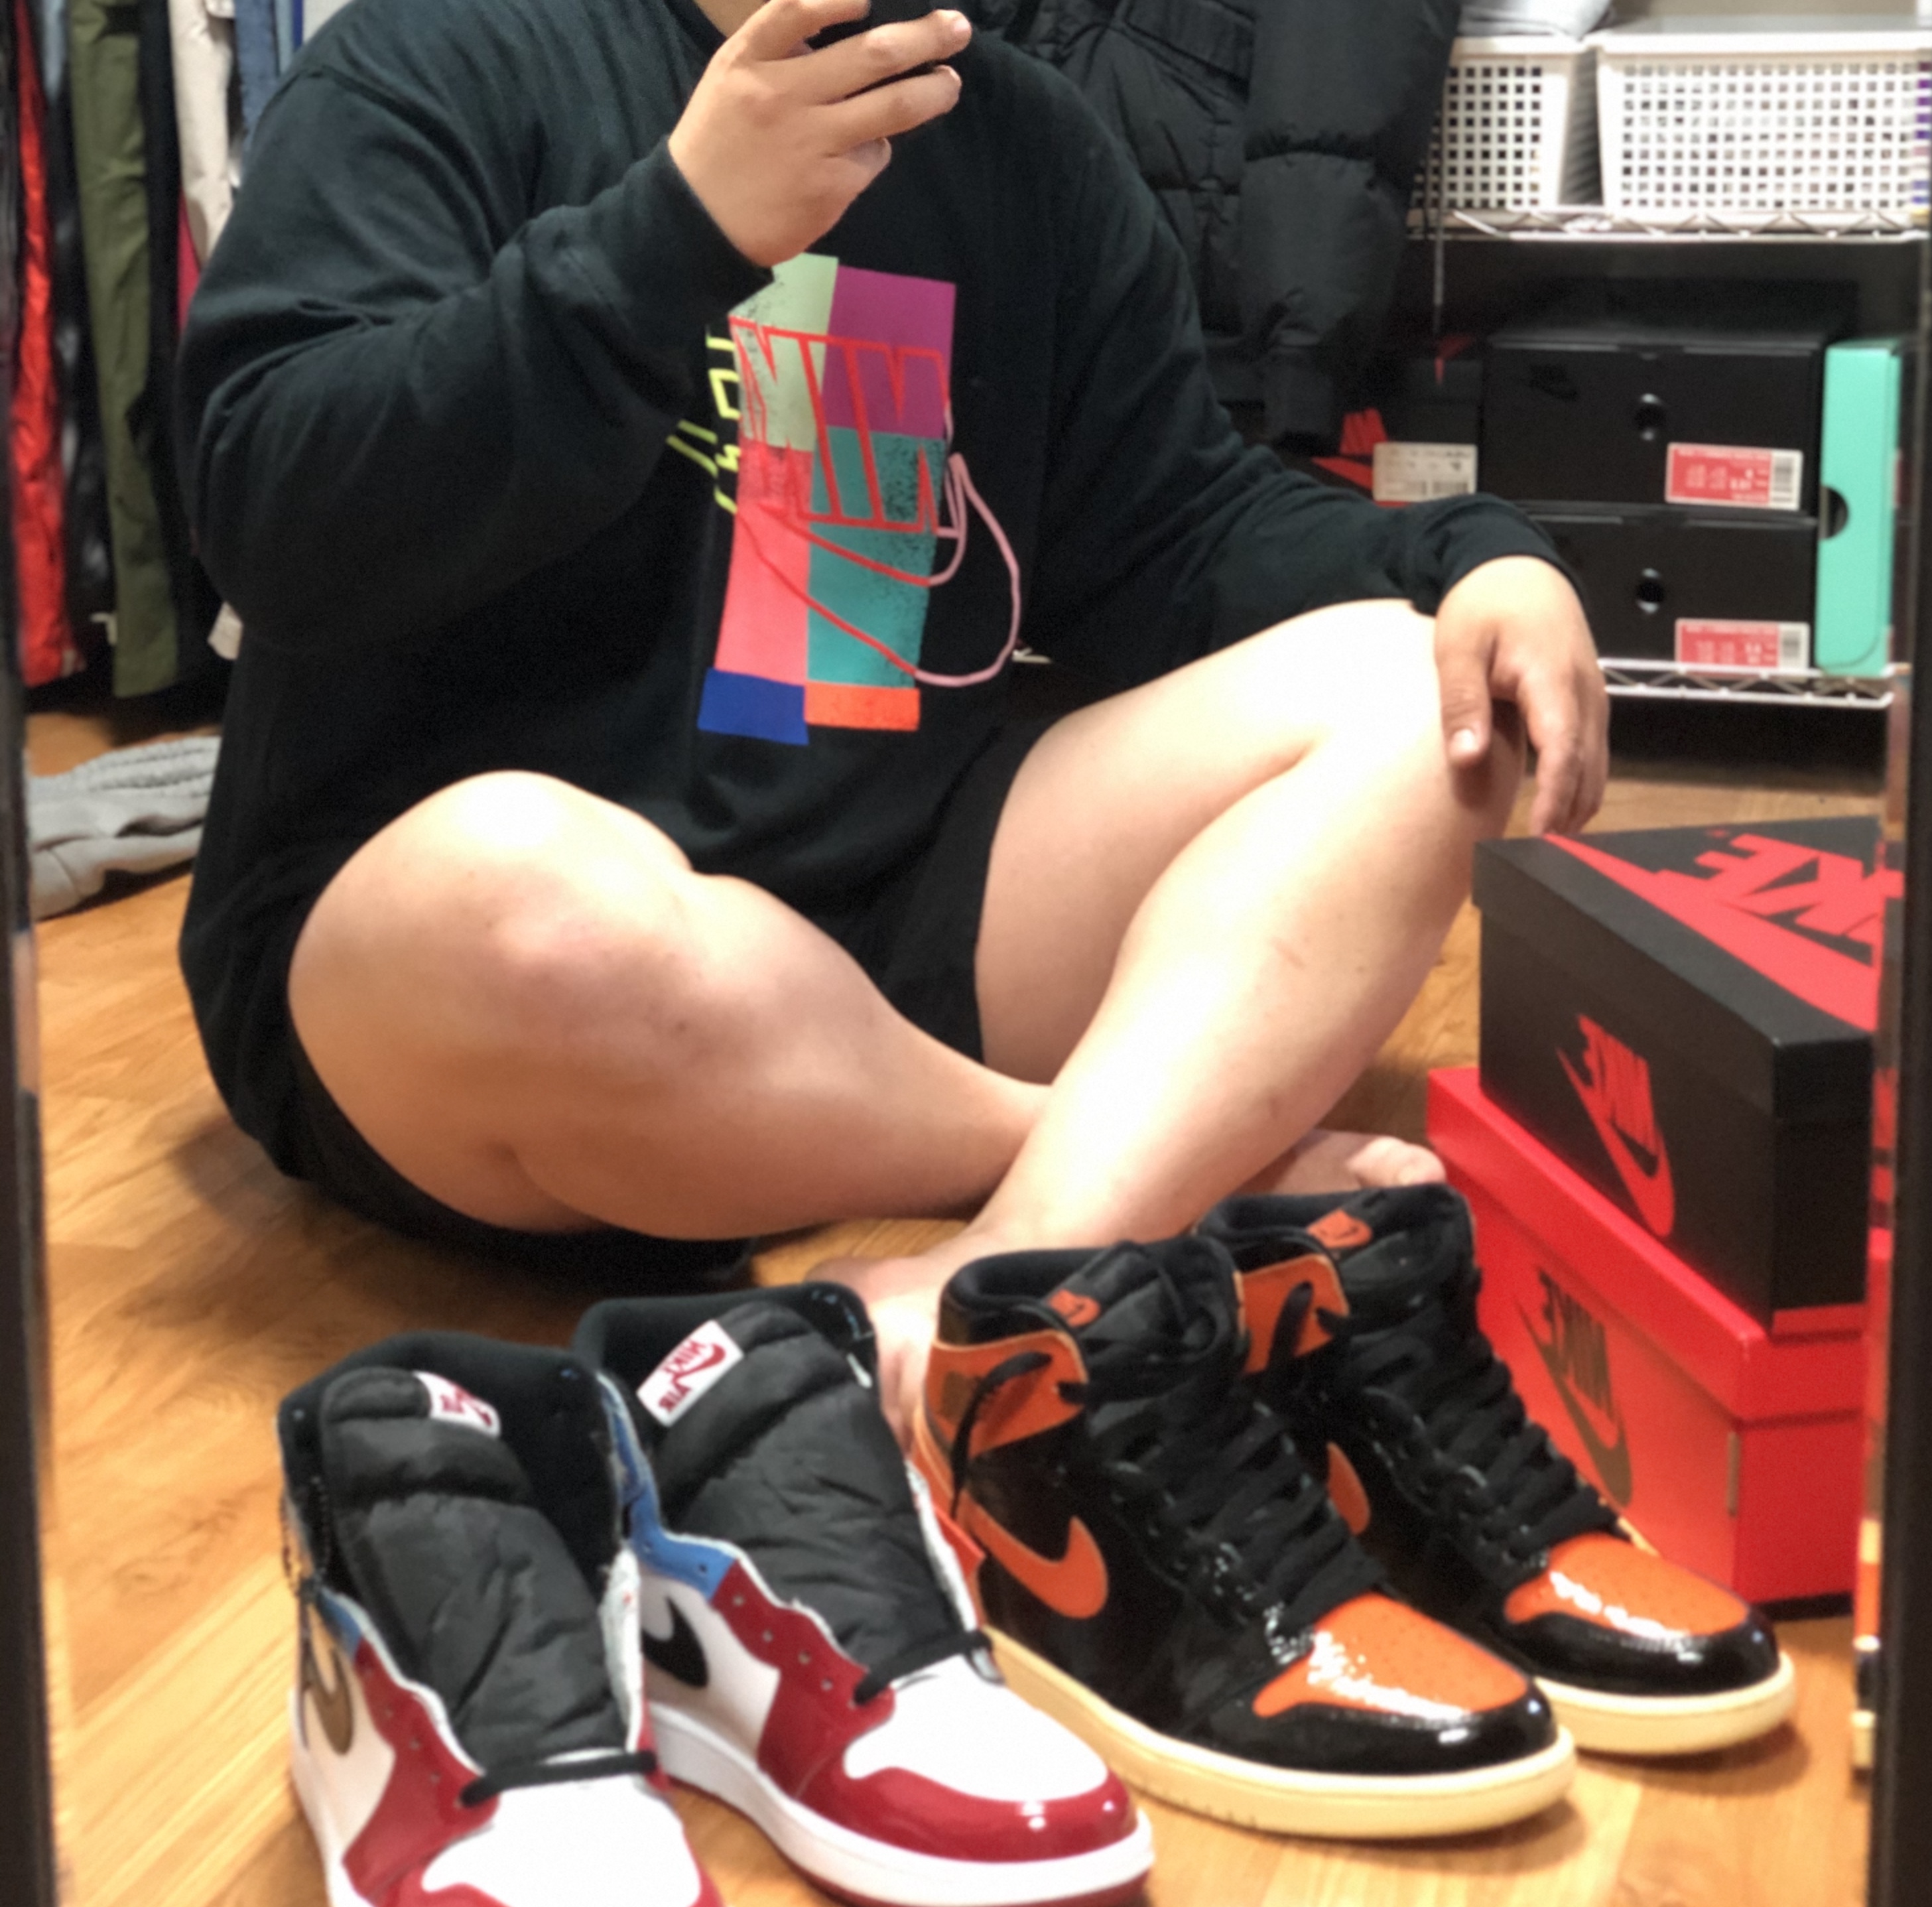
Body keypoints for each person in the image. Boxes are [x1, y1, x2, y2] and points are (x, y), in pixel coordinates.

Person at [176, 0, 1608, 1441]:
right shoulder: (441, 51)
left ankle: (1017, 1263)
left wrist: (1472, 560)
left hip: (891, 907)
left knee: (1424, 697)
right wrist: (676, 233)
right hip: (461, 976)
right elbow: (270, 510)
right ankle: (1149, 1155)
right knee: (521, 899)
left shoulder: (1021, 140)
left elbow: (1179, 531)